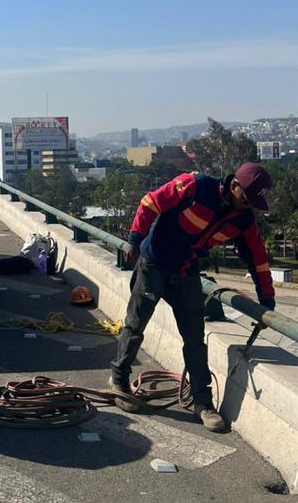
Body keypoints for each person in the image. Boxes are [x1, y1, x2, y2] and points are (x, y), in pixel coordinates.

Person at [110, 163, 276, 432]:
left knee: (195, 339)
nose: (248, 206)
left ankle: (203, 403)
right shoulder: (195, 185)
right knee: (136, 324)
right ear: (235, 185)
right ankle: (118, 380)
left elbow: (258, 259)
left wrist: (266, 301)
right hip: (154, 265)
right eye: (246, 199)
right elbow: (151, 202)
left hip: (186, 272)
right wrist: (134, 237)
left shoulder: (244, 220)